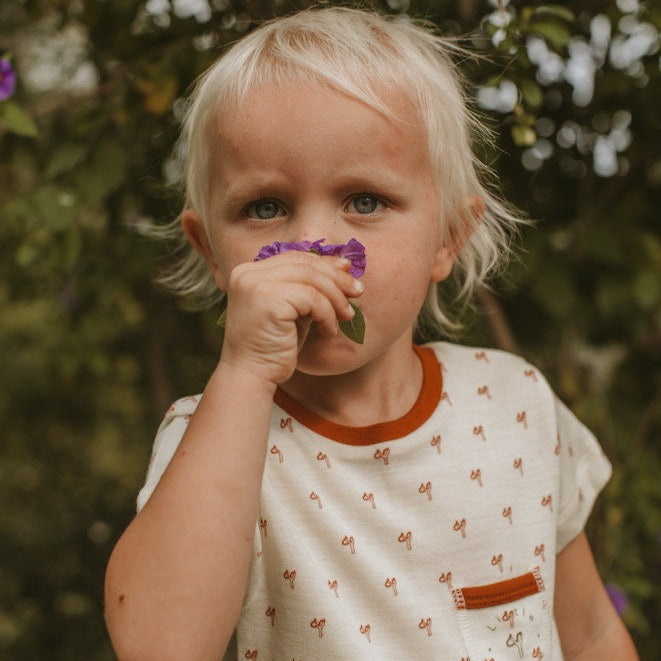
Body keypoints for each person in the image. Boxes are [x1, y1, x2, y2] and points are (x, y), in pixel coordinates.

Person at [104, 7, 638, 660]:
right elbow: (159, 645)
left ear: (445, 236)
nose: (316, 244)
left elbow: (587, 633)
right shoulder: (215, 438)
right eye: (264, 207)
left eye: (364, 200)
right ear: (213, 251)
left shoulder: (515, 403)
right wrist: (243, 374)